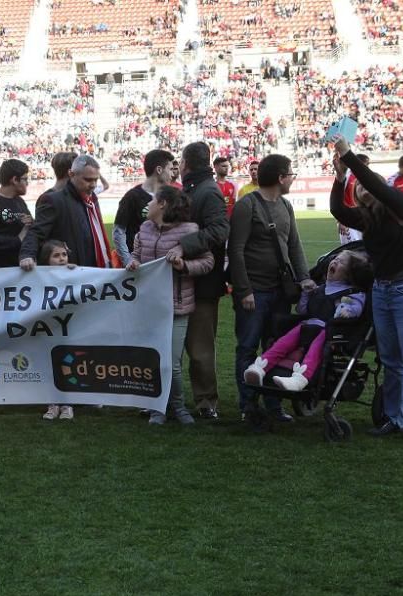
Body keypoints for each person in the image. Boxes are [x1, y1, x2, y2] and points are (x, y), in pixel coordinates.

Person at [330, 136, 403, 442]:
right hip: (383, 290)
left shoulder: (397, 203)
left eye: (367, 185)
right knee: (390, 358)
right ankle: (394, 417)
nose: (362, 189)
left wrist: (348, 156)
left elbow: (373, 184)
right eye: (358, 188)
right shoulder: (368, 219)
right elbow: (338, 210)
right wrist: (340, 178)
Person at [228, 153, 312, 420]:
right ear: (280, 177)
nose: (292, 179)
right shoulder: (247, 206)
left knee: (275, 348)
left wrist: (304, 278)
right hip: (254, 292)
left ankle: (274, 406)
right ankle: (249, 406)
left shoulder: (286, 206)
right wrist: (244, 290)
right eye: (290, 174)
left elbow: (295, 246)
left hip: (280, 291)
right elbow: (236, 251)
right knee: (248, 347)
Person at [127, 187, 214, 426]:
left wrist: (183, 266)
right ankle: (159, 408)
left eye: (153, 200)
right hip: (149, 306)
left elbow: (208, 262)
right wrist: (133, 262)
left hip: (176, 307)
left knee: (172, 362)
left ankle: (176, 406)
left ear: (163, 204)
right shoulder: (144, 229)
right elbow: (136, 254)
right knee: (154, 360)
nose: (149, 204)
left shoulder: (189, 231)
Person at [244, 250, 372, 392]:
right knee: (282, 343)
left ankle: (300, 378)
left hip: (328, 331)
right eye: (335, 258)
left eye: (341, 262)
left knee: (316, 349)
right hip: (307, 325)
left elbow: (356, 308)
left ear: (349, 274)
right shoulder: (320, 288)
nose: (335, 261)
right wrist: (306, 294)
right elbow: (302, 310)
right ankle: (260, 367)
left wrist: (346, 310)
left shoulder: (352, 293)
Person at [171, 142, 230, 420]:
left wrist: (184, 245)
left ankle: (206, 401)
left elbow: (220, 230)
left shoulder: (208, 191)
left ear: (186, 163)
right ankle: (176, 400)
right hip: (184, 280)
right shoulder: (196, 189)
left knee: (199, 347)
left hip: (202, 283)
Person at [19, 154, 114, 270]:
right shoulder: (52, 200)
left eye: (96, 180)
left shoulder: (92, 198)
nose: (93, 185)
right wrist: (27, 255)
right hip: (72, 272)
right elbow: (36, 232)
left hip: (96, 271)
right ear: (71, 174)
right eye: (88, 180)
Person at [113, 149, 175, 264]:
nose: (173, 174)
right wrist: (128, 261)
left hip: (164, 265)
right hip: (139, 266)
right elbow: (118, 231)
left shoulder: (171, 197)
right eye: (170, 169)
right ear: (159, 170)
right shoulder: (132, 197)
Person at [38, 240, 78, 421]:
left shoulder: (75, 273)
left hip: (68, 329)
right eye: (56, 255)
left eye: (64, 255)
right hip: (48, 329)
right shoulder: (38, 277)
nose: (62, 259)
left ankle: (68, 404)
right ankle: (53, 404)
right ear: (46, 259)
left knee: (67, 365)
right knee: (49, 365)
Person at [338, 154, 369, 245]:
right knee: (351, 248)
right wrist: (341, 221)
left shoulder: (362, 177)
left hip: (360, 218)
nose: (368, 167)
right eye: (366, 164)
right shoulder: (347, 177)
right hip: (348, 220)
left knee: (362, 248)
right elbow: (339, 198)